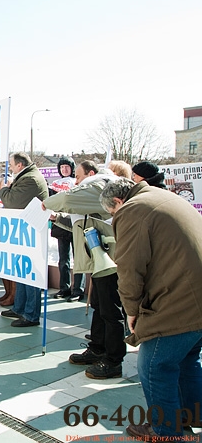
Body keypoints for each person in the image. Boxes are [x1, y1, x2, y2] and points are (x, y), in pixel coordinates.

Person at [100, 178, 202, 440]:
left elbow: (130, 269)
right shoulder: (160, 196)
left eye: (112, 214)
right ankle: (192, 415)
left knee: (154, 366)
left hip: (179, 302)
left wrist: (131, 311)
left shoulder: (132, 210)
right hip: (195, 297)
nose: (114, 218)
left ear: (117, 202)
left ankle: (165, 430)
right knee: (187, 359)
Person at [43, 160, 126, 380]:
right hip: (99, 259)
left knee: (111, 310)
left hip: (110, 259)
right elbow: (78, 220)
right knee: (100, 306)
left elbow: (68, 199)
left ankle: (114, 359)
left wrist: (46, 203)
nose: (76, 182)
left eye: (78, 177)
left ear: (91, 174)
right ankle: (98, 348)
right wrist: (57, 217)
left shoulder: (100, 186)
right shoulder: (95, 191)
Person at [0, 152, 49, 327]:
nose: (10, 168)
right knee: (21, 271)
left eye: (11, 165)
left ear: (19, 165)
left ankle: (31, 314)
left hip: (31, 234)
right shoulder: (28, 177)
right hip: (24, 233)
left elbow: (12, 201)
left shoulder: (31, 180)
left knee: (31, 274)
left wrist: (2, 189)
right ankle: (20, 308)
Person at [48, 157, 85, 301]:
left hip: (76, 223)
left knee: (78, 258)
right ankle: (64, 287)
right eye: (62, 167)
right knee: (63, 259)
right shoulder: (55, 185)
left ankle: (78, 289)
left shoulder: (78, 183)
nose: (64, 170)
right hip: (60, 224)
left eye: (67, 167)